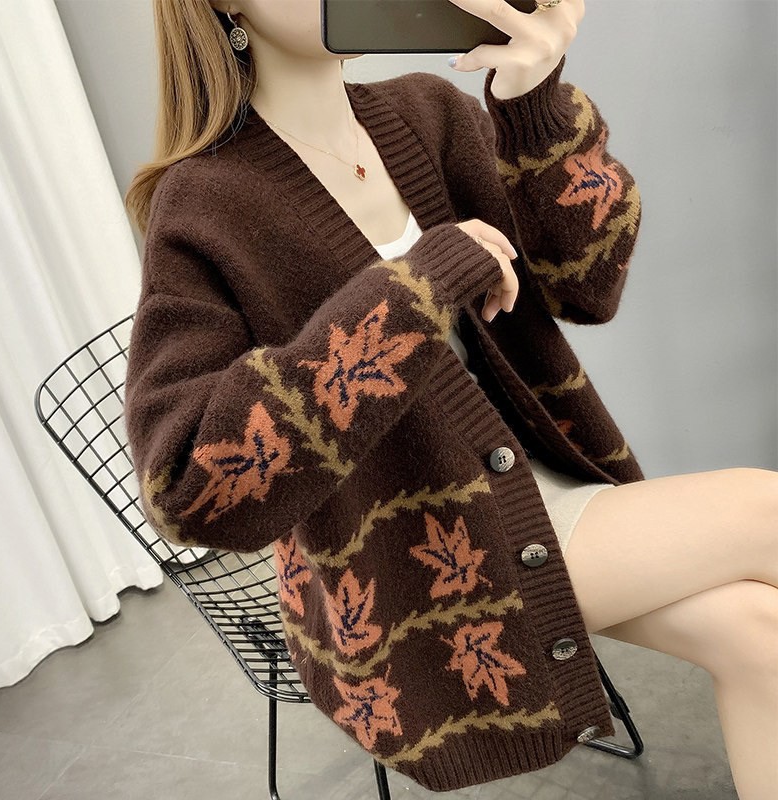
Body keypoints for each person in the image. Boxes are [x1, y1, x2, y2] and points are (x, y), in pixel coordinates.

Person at [122, 1, 777, 796]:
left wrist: (534, 105)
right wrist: (418, 286)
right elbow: (190, 487)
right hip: (415, 570)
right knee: (766, 511)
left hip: (541, 492)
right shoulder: (205, 202)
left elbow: (589, 286)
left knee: (757, 633)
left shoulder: (427, 114)